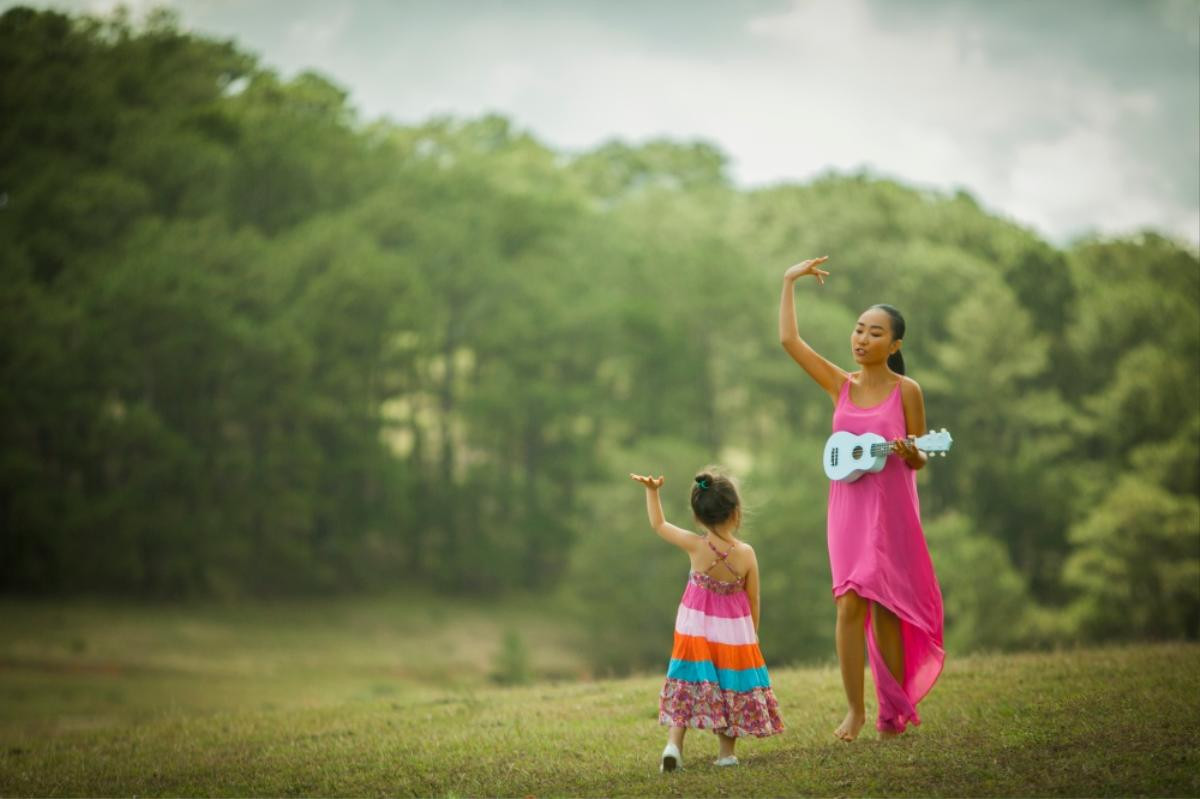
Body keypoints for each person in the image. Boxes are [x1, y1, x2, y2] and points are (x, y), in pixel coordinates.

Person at [778, 255, 944, 741]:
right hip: (847, 511)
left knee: (888, 607)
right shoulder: (840, 385)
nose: (861, 339)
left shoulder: (907, 390)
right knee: (849, 604)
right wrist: (790, 280)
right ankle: (854, 710)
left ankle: (892, 713)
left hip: (891, 512)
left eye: (875, 333)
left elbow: (919, 460)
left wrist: (911, 452)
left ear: (895, 344)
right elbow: (790, 341)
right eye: (858, 329)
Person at [629, 468, 784, 771]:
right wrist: (752, 633)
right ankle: (726, 754)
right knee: (730, 684)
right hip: (733, 632)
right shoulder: (746, 554)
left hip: (695, 628)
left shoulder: (696, 545)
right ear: (736, 512)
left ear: (699, 515)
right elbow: (754, 598)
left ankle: (674, 745)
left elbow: (658, 524)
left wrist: (652, 492)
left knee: (687, 679)